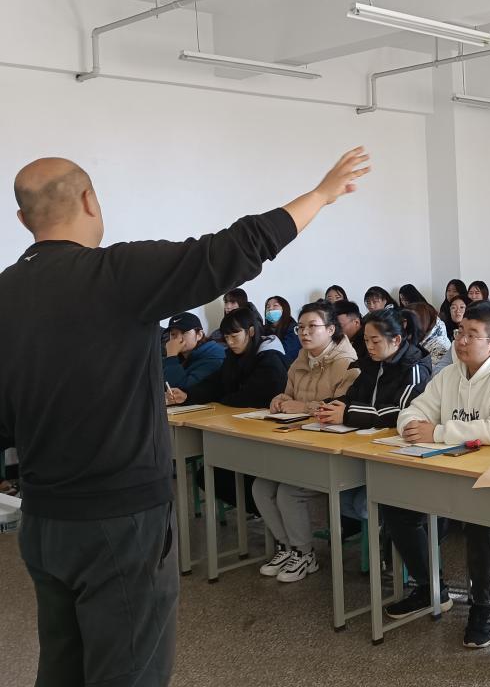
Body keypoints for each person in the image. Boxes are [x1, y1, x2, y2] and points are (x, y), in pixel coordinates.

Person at [3, 148, 368, 686]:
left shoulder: (6, 292)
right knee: (128, 668)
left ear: (22, 219)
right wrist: (320, 194)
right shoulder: (114, 274)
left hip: (43, 518)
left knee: (63, 662)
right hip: (120, 514)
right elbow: (234, 248)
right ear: (90, 200)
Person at [383, 303, 490, 649]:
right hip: (447, 471)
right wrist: (410, 426)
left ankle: (482, 607)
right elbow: (413, 411)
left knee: (480, 524)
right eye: (459, 332)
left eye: (471, 335)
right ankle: (430, 587)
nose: (461, 341)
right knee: (396, 507)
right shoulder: (449, 374)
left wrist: (437, 432)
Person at [253, 302, 361, 583]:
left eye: (312, 326)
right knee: (261, 487)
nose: (304, 332)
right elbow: (289, 395)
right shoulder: (300, 361)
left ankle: (304, 554)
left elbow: (341, 408)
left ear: (331, 329)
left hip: (330, 450)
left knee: (289, 492)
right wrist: (280, 400)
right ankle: (287, 547)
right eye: (300, 327)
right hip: (297, 443)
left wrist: (303, 407)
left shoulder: (347, 363)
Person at [316, 307, 433, 520]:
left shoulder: (414, 367)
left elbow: (401, 411)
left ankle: (385, 535)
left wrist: (347, 414)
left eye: (375, 341)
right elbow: (353, 396)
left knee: (362, 505)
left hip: (395, 453)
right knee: (341, 499)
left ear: (396, 340)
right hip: (364, 447)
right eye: (366, 340)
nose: (369, 346)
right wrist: (330, 406)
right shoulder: (371, 364)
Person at [168, 307, 289, 409]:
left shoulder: (270, 358)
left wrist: (221, 397)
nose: (230, 342)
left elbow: (251, 397)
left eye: (234, 336)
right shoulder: (232, 356)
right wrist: (187, 396)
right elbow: (214, 385)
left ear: (251, 331)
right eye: (226, 337)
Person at [163, 311, 225, 390]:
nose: (178, 339)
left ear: (199, 335)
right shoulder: (179, 356)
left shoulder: (214, 356)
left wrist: (171, 357)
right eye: (173, 334)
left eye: (184, 333)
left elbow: (179, 391)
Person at [408, 301, 452, 369]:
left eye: (408, 321)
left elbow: (427, 372)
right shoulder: (422, 337)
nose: (404, 325)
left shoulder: (440, 348)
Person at [264, 295, 301, 364]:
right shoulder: (264, 329)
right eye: (268, 307)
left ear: (284, 309)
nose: (270, 309)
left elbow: (287, 353)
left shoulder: (293, 328)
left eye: (275, 305)